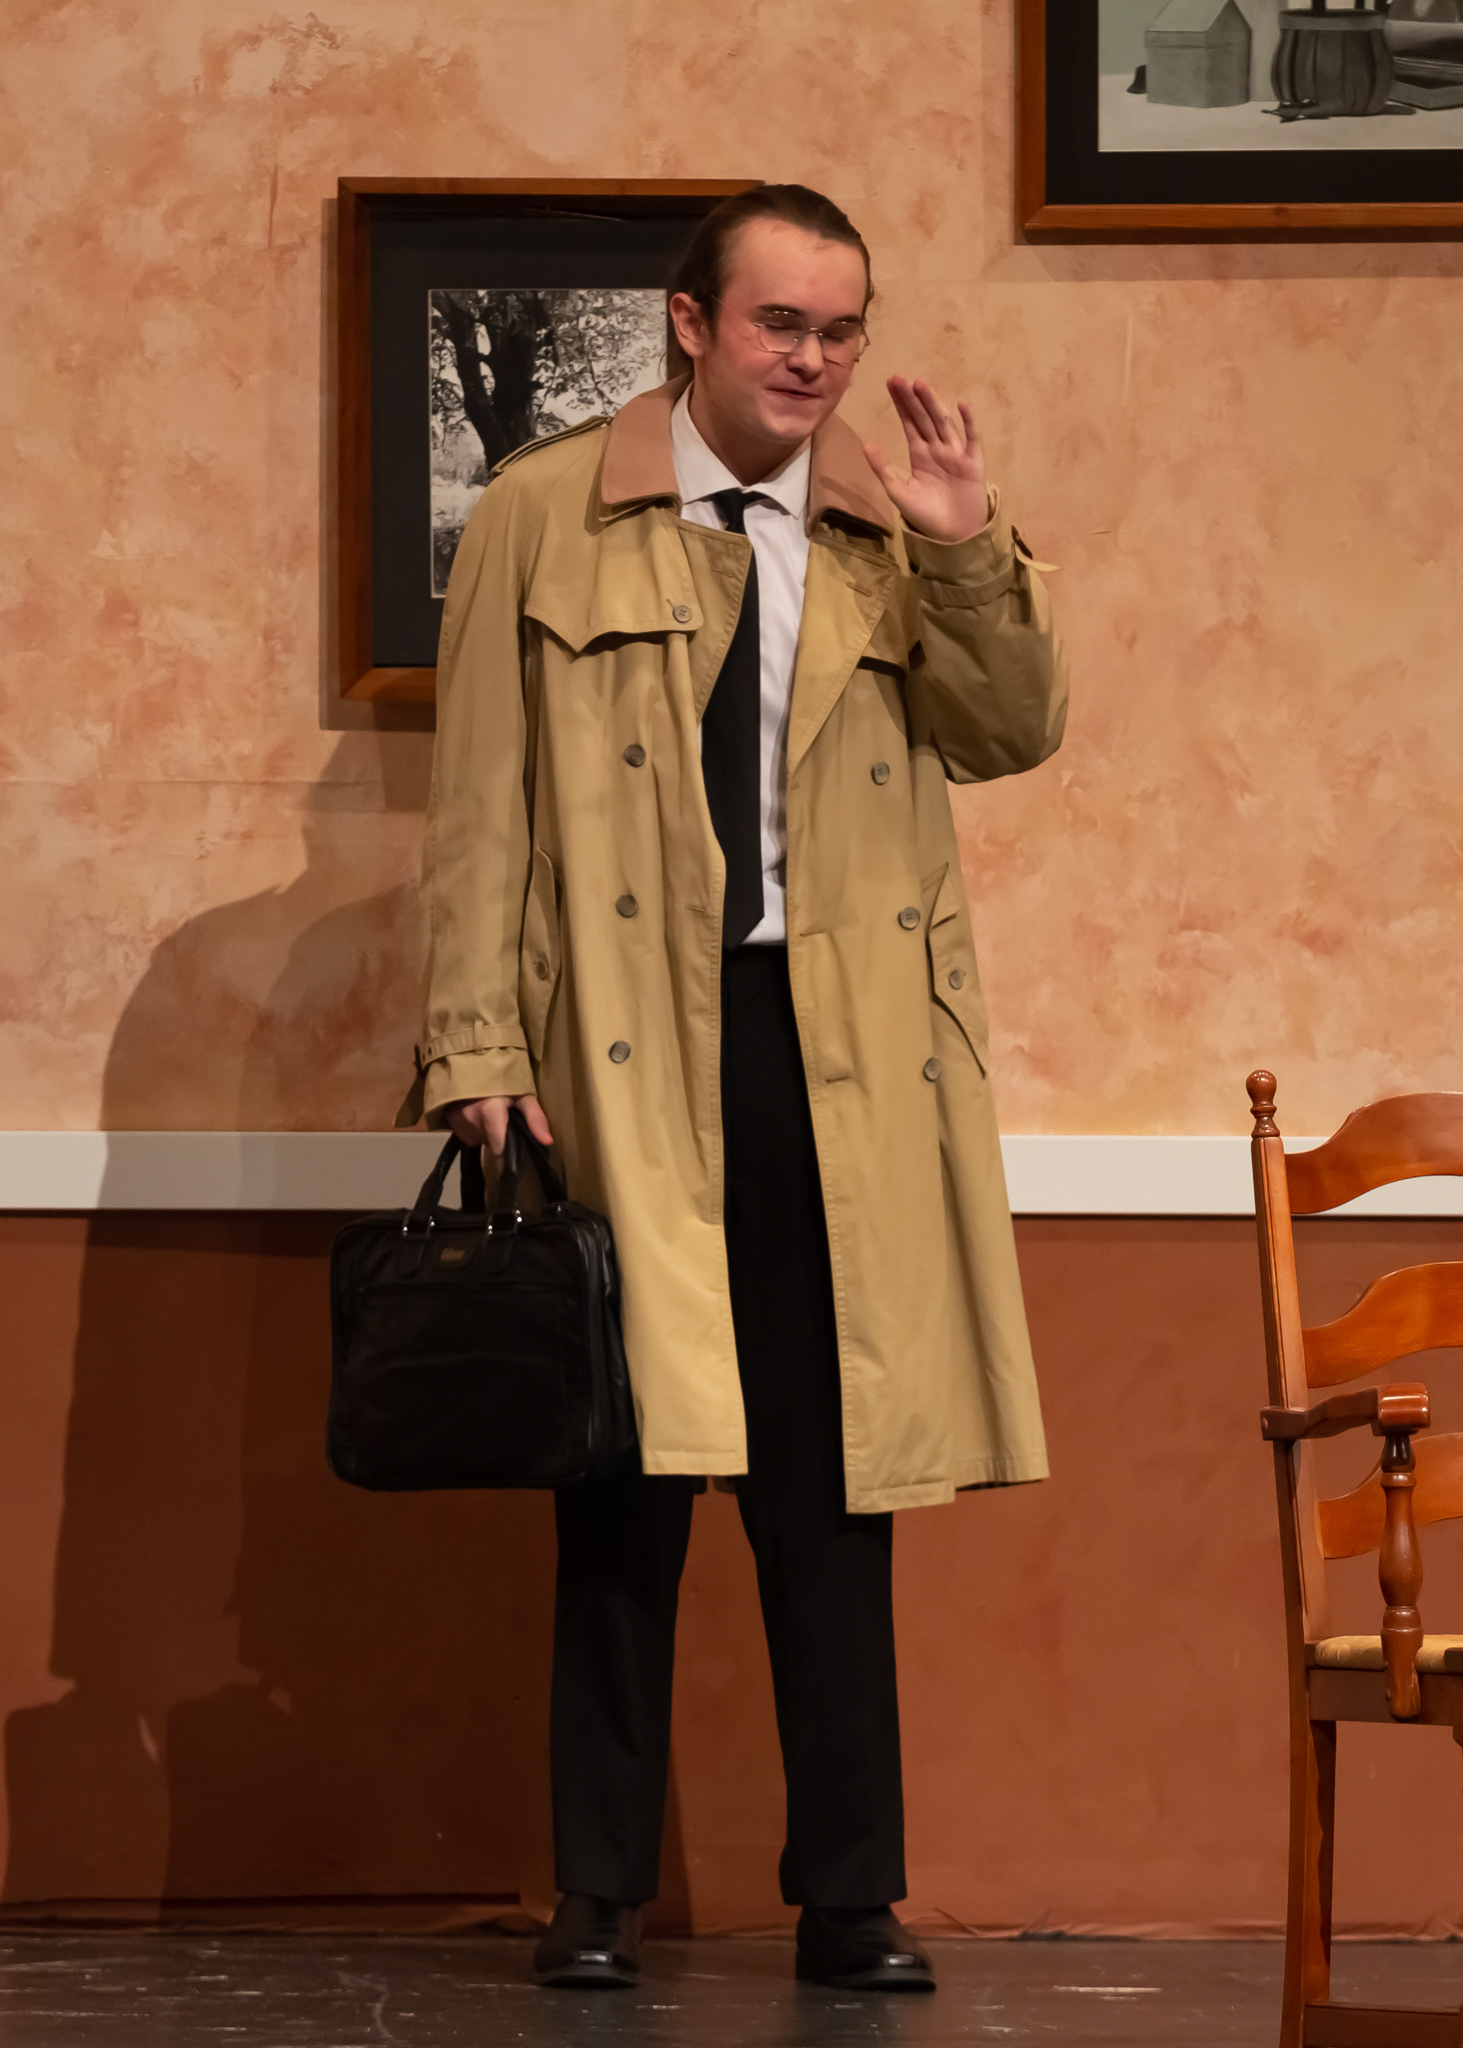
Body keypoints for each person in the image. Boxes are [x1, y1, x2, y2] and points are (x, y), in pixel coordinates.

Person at [399, 184, 1068, 1993]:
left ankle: (850, 1897)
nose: (816, 358)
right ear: (690, 322)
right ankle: (596, 1894)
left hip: (831, 1053)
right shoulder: (544, 510)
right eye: (783, 321)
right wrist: (477, 1043)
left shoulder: (887, 526)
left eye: (842, 328)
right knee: (619, 1484)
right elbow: (479, 806)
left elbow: (1013, 733)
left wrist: (967, 548)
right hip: (619, 1054)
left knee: (834, 1489)